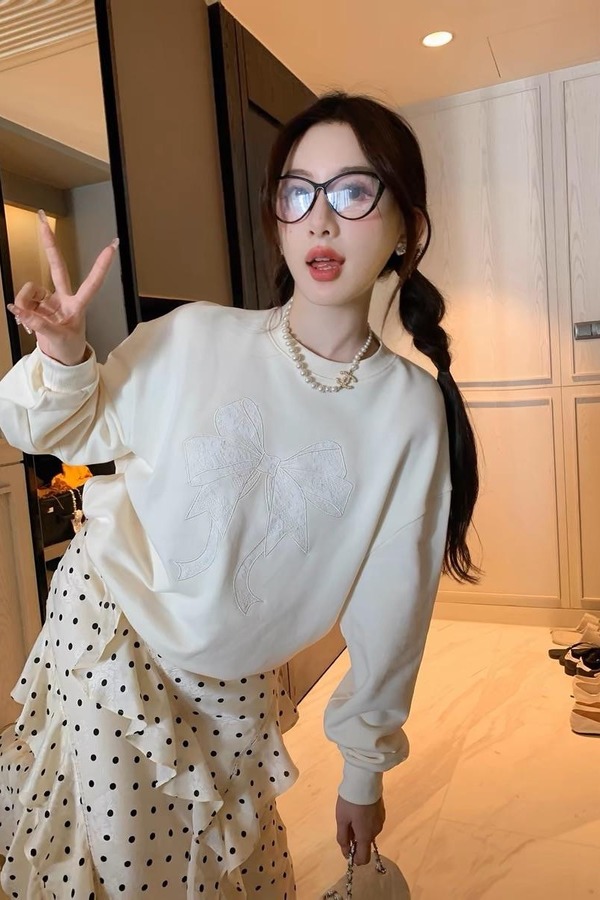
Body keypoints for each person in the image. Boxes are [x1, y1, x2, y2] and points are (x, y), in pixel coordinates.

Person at [0, 91, 479, 899]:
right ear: (278, 219)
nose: (320, 220)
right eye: (299, 192)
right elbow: (65, 430)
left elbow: (392, 601)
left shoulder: (408, 409)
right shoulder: (195, 336)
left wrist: (364, 768)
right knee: (115, 874)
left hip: (236, 687)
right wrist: (66, 355)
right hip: (112, 638)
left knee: (225, 871)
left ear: (407, 229)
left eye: (352, 191)